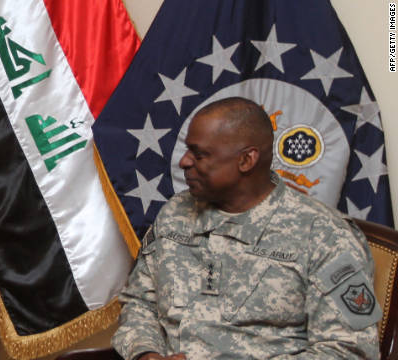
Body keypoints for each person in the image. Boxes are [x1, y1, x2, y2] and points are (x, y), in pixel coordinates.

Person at [112, 97, 381, 360]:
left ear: (246, 160)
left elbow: (349, 350)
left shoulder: (324, 235)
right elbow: (139, 304)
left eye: (200, 153)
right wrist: (146, 354)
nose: (184, 161)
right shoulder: (175, 214)